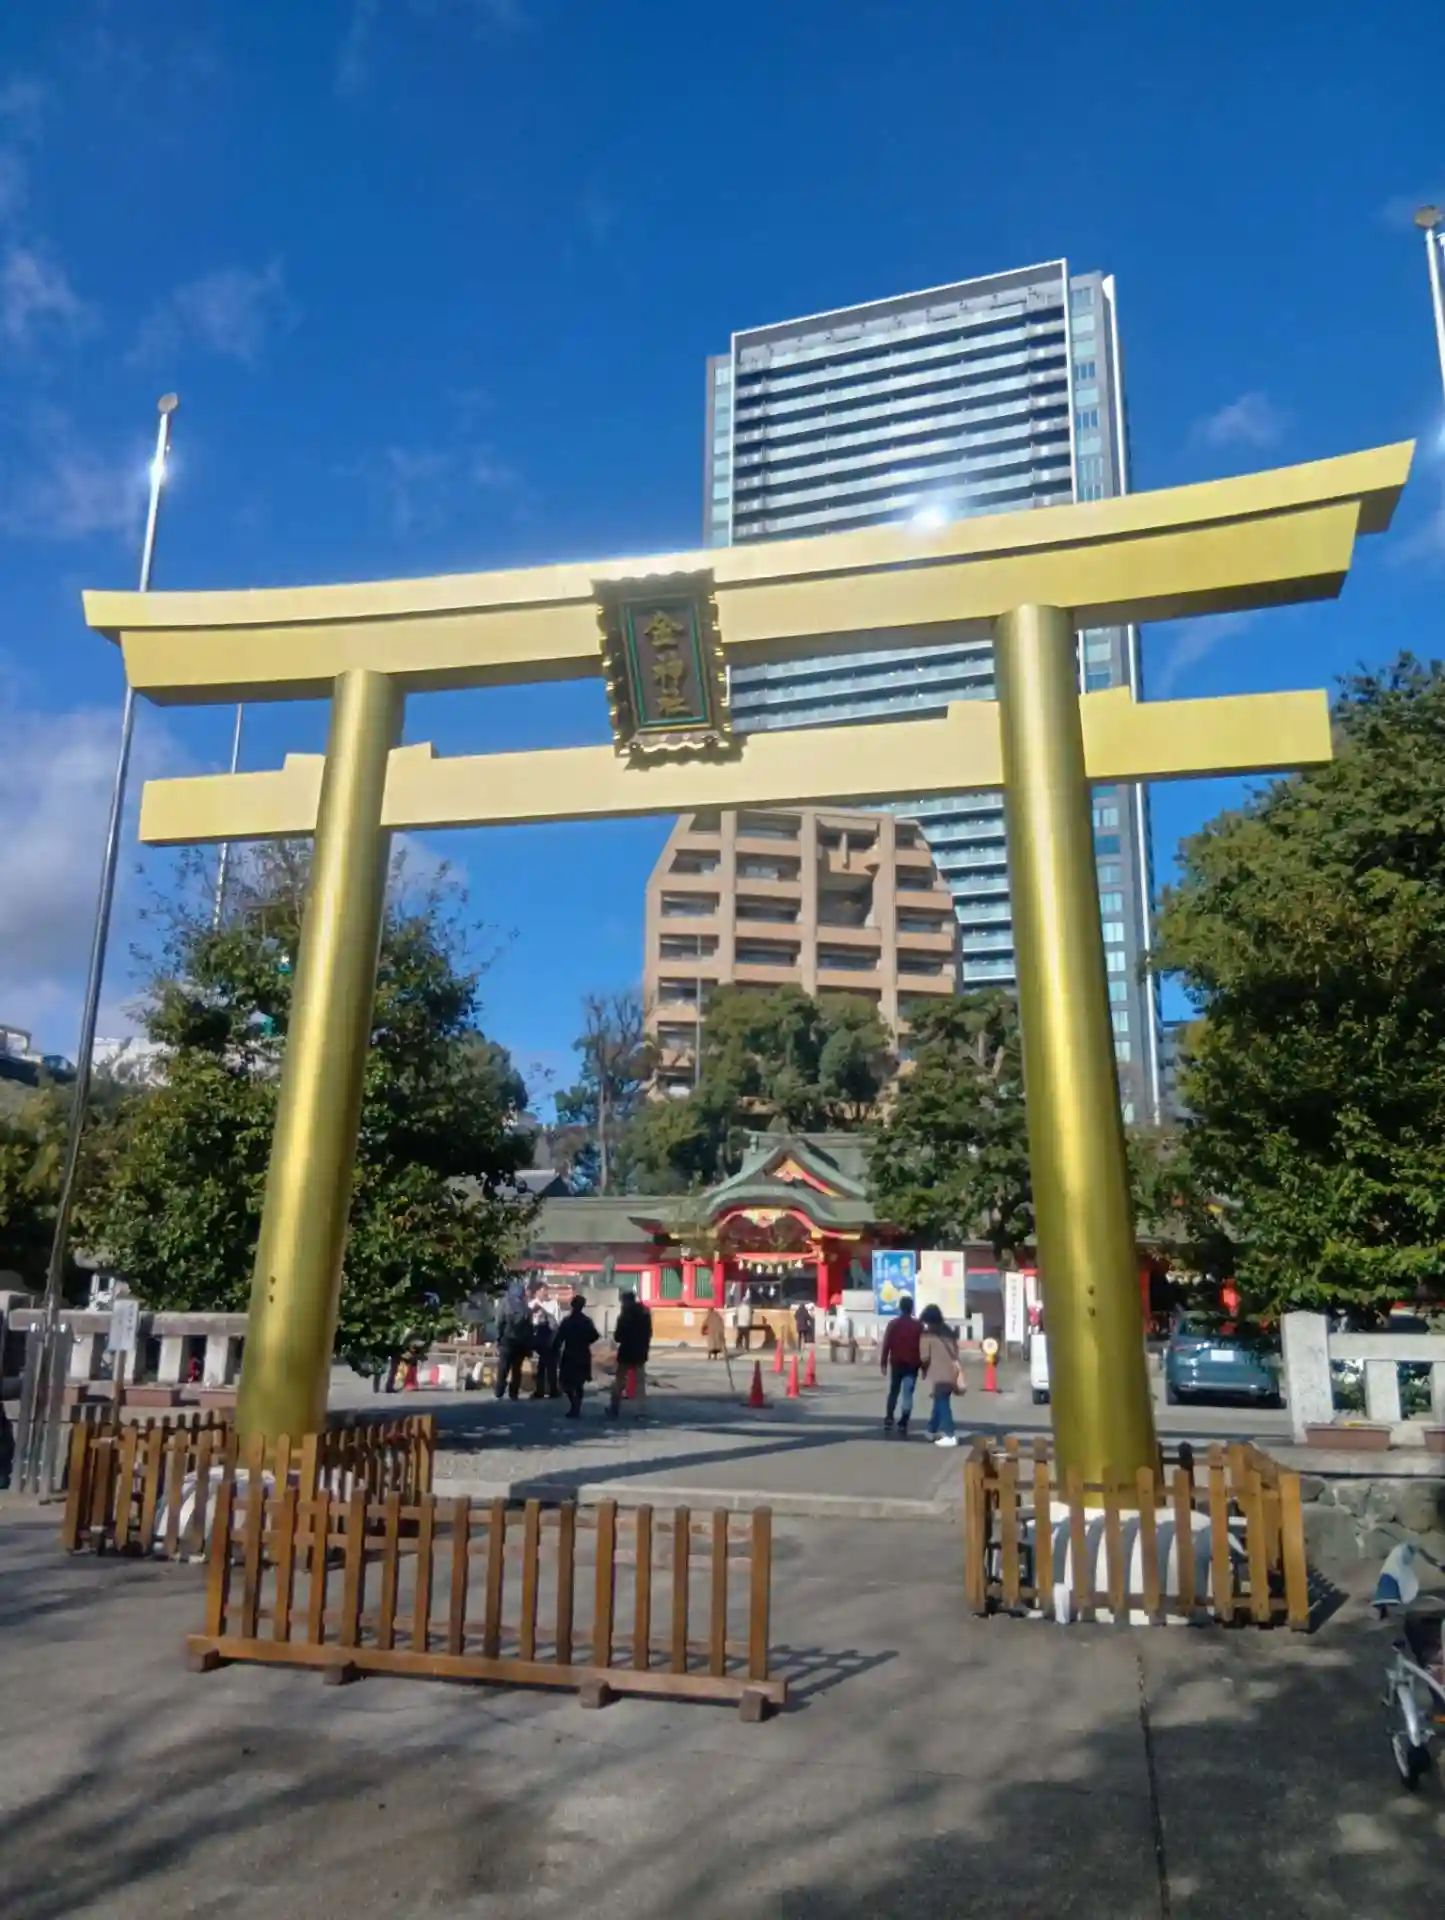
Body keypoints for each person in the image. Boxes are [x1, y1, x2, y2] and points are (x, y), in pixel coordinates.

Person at [918, 1303, 963, 1448]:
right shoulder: (948, 1331)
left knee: (943, 1404)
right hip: (952, 1372)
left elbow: (924, 1357)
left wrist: (922, 1368)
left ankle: (950, 1434)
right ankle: (931, 1430)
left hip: (939, 1374)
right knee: (939, 1402)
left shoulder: (928, 1335)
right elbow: (955, 1351)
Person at [879, 1294, 923, 1436]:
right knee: (907, 1394)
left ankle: (889, 1418)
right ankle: (903, 1422)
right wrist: (925, 1367)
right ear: (911, 1308)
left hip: (896, 1362)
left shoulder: (893, 1324)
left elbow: (887, 1344)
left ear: (900, 1308)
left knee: (894, 1391)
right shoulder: (918, 1326)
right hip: (912, 1364)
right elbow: (923, 1347)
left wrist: (883, 1362)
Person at [609, 1288, 653, 1417]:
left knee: (619, 1380)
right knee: (640, 1382)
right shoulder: (645, 1315)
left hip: (626, 1351)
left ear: (625, 1301)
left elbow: (618, 1337)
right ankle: (641, 1410)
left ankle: (614, 1408)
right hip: (640, 1352)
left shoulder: (624, 1316)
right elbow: (649, 1333)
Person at [555, 1294, 600, 1418]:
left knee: (566, 1382)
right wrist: (585, 1341)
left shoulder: (567, 1321)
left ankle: (574, 1404)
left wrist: (555, 1349)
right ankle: (577, 1405)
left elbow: (559, 1338)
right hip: (583, 1353)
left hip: (570, 1353)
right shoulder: (586, 1321)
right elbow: (595, 1336)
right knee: (579, 1383)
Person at [493, 1279, 534, 1401]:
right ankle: (514, 1392)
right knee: (517, 1368)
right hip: (520, 1343)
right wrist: (528, 1345)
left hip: (507, 1340)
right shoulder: (526, 1308)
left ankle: (499, 1390)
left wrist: (498, 1338)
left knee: (503, 1366)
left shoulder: (504, 1304)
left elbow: (499, 1323)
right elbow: (529, 1328)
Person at [530, 1300, 560, 1399]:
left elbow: (553, 1331)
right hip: (546, 1348)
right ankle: (551, 1390)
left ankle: (545, 1391)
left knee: (545, 1370)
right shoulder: (545, 1320)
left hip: (548, 1348)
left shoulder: (548, 1320)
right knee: (547, 1370)